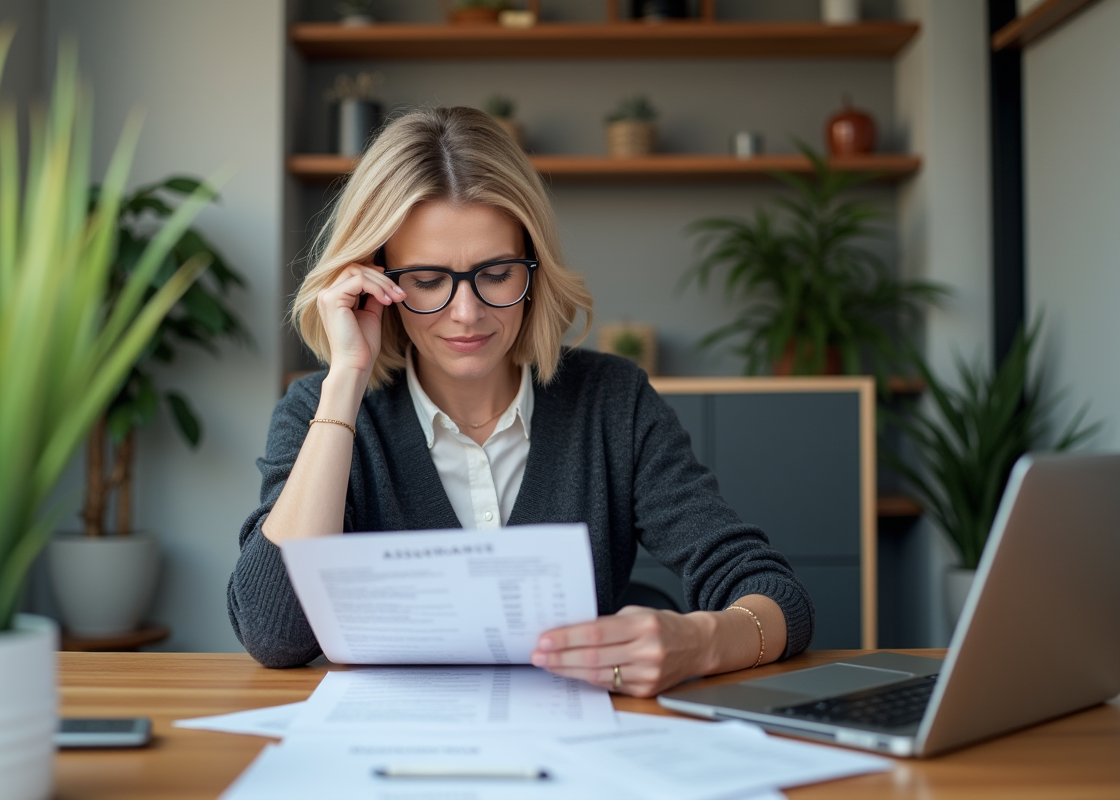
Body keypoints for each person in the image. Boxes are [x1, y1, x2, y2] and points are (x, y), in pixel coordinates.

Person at [228, 106, 814, 697]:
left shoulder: (612, 402)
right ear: (377, 280)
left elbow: (773, 593)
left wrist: (701, 641)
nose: (467, 313)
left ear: (535, 268)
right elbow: (273, 633)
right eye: (427, 281)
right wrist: (346, 378)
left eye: (498, 272)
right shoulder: (319, 408)